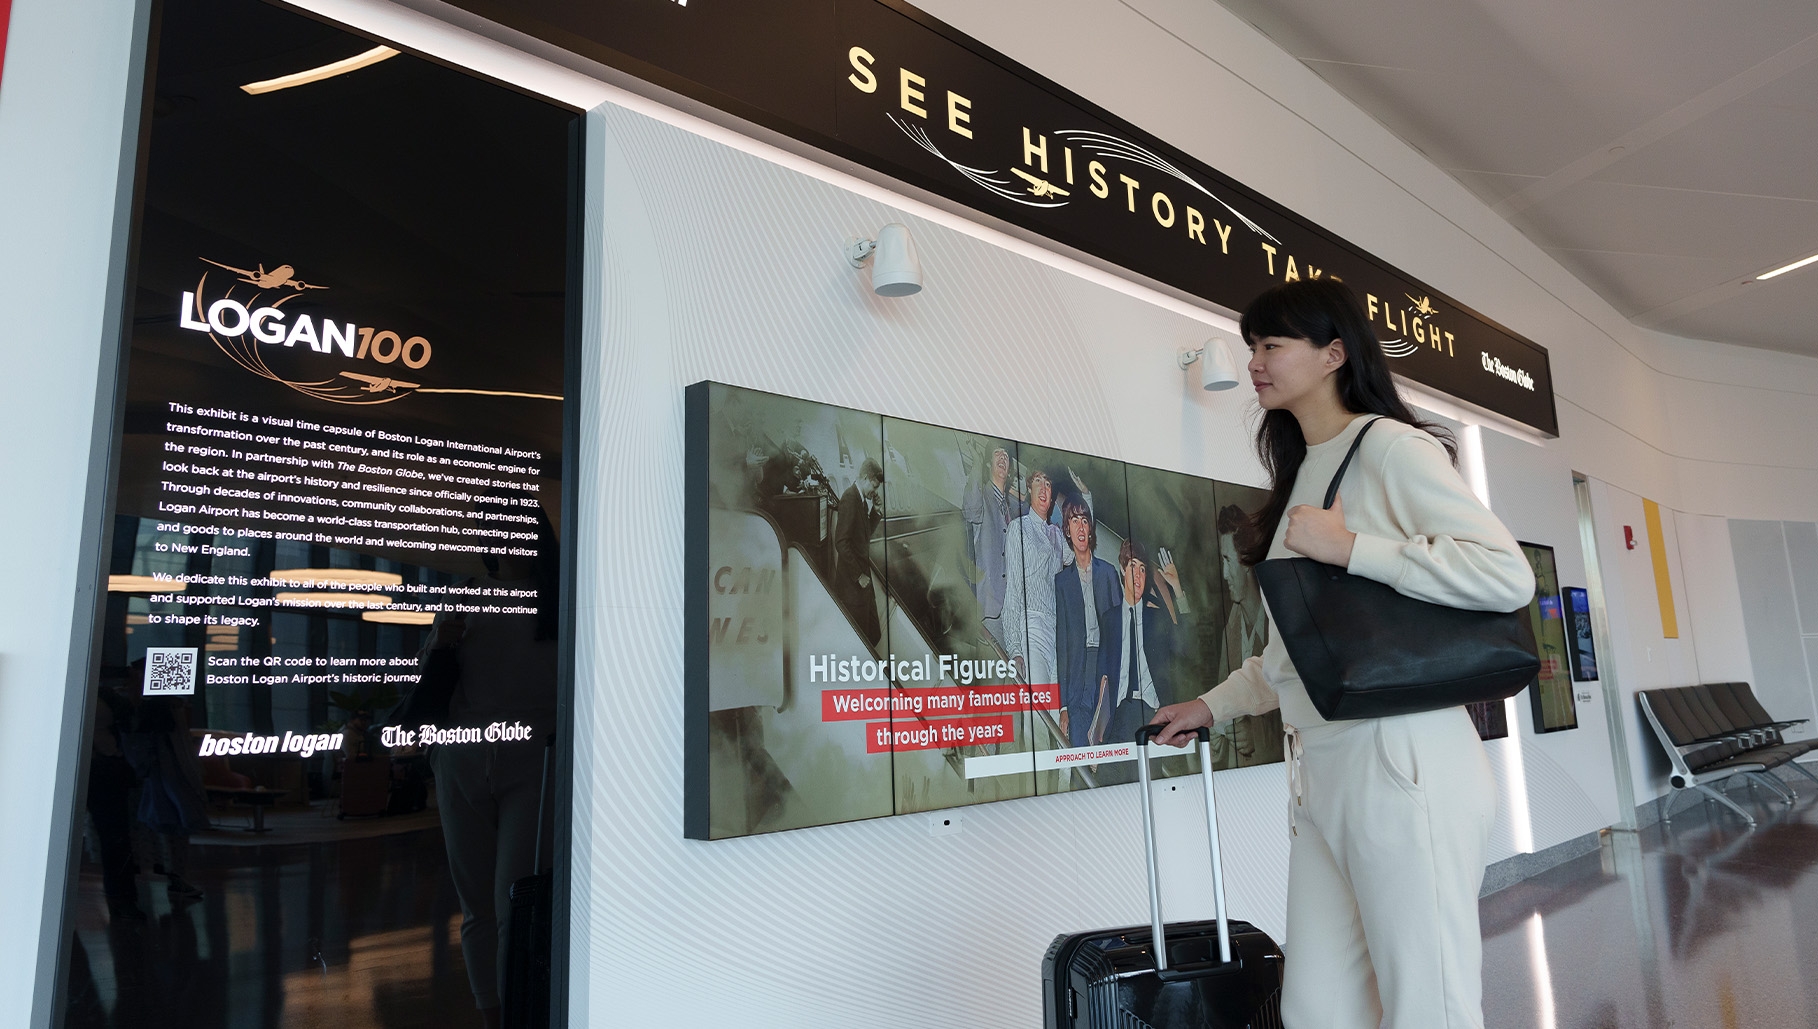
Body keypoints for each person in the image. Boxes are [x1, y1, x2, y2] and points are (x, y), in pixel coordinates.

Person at [1148, 278, 1533, 1029]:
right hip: (1320, 770)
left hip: (1404, 758)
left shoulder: (1390, 447)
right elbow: (1290, 653)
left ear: (1332, 354)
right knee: (1318, 1007)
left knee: (1431, 1003)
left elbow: (1504, 573)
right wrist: (1211, 706)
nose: (1255, 361)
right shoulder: (1299, 476)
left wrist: (1354, 547)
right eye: (1252, 344)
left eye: (1271, 344)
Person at [430, 506, 561, 1029]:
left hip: (534, 758)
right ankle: (494, 1015)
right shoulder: (465, 593)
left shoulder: (558, 598)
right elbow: (432, 678)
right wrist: (441, 640)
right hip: (463, 756)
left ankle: (517, 1013)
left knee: (515, 902)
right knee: (479, 903)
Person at [1099, 540, 1179, 750]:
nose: (1138, 575)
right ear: (1122, 569)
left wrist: (1177, 589)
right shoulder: (1109, 620)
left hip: (1150, 714)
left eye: (1143, 569)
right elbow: (1102, 678)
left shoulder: (1157, 619)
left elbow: (1185, 645)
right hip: (1118, 716)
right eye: (1132, 566)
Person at [1051, 496, 1118, 746]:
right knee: (1079, 748)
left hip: (1105, 671)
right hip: (1078, 679)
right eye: (1074, 520)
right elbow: (1063, 644)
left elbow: (1119, 634)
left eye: (1084, 520)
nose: (1080, 527)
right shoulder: (1062, 582)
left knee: (1107, 748)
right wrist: (1063, 706)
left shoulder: (1109, 573)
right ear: (1067, 529)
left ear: (1090, 529)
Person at [999, 469, 1074, 686]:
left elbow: (1081, 547)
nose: (1043, 488)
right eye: (1038, 482)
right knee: (1037, 708)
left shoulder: (1057, 535)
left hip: (1056, 632)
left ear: (1051, 498)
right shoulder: (1018, 528)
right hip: (1032, 627)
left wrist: (1086, 498)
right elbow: (1013, 589)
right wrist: (1014, 648)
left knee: (1053, 714)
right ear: (1029, 490)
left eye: (1048, 484)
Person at [961, 445, 1016, 647]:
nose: (1003, 456)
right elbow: (971, 511)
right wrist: (976, 465)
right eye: (997, 453)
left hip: (1008, 609)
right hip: (988, 610)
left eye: (1006, 454)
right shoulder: (982, 495)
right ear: (988, 463)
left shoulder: (1008, 507)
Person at [834, 459, 885, 648]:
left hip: (862, 588)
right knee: (861, 642)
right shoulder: (850, 498)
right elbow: (841, 542)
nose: (875, 491)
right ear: (865, 478)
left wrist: (876, 512)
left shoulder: (862, 501)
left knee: (874, 634)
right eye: (874, 486)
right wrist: (859, 575)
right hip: (852, 588)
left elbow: (863, 536)